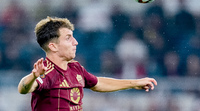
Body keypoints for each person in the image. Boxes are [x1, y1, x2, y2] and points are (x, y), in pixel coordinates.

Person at [18, 16, 157, 111]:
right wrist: (33, 76)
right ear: (53, 46)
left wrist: (134, 83)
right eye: (68, 38)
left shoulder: (75, 68)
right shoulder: (46, 72)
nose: (75, 42)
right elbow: (24, 88)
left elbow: (99, 83)